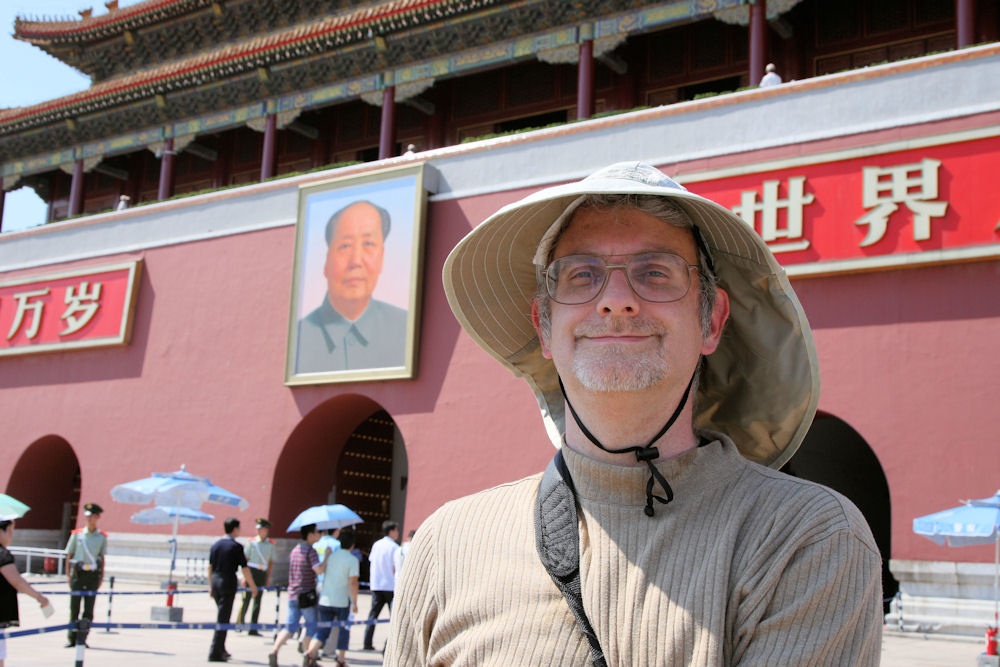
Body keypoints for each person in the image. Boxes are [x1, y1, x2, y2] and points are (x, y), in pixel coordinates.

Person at [387, 162, 883, 664]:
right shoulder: (448, 544)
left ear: (711, 321)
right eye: (582, 276)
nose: (616, 301)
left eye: (655, 273)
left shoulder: (803, 539)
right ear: (543, 326)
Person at [296, 200, 408, 373]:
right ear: (326, 261)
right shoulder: (299, 337)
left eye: (368, 244)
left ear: (382, 257)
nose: (356, 261)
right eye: (345, 246)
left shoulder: (404, 329)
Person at [268, 523, 325, 667]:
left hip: (293, 593)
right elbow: (318, 570)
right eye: (317, 532)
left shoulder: (295, 550)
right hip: (306, 595)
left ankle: (274, 650)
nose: (319, 535)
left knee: (290, 627)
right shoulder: (311, 551)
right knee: (311, 625)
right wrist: (327, 558)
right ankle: (308, 656)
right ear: (310, 535)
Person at [1, 519, 51, 667]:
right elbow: (17, 581)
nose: (11, 535)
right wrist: (39, 597)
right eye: (10, 530)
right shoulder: (2, 555)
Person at [207, 517, 258, 662]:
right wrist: (252, 586)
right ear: (235, 529)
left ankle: (221, 648)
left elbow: (210, 567)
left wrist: (210, 586)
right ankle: (215, 652)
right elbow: (245, 568)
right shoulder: (236, 547)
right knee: (223, 619)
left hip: (216, 582)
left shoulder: (216, 545)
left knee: (222, 616)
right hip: (227, 582)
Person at [64, 502, 106, 648]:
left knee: (88, 610)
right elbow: (69, 555)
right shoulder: (77, 535)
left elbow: (102, 559)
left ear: (97, 517)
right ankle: (71, 638)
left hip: (92, 576)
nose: (89, 519)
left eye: (92, 517)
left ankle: (83, 637)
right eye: (87, 517)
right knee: (74, 608)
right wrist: (68, 576)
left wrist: (101, 578)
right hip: (78, 574)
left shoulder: (101, 537)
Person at [317, 529, 360, 667]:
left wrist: (326, 556)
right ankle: (341, 659)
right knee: (343, 631)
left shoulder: (331, 556)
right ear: (352, 545)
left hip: (326, 598)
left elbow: (321, 570)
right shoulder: (352, 560)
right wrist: (354, 602)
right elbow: (353, 582)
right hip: (342, 601)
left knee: (323, 630)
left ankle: (311, 653)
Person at [363, 520, 398, 651]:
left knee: (373, 615)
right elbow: (395, 567)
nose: (397, 533)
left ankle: (367, 642)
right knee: (394, 617)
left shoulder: (376, 545)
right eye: (396, 530)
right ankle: (392, 645)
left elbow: (372, 561)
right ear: (391, 531)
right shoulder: (394, 547)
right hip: (390, 585)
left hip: (376, 584)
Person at [237, 517, 274, 637]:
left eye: (261, 529)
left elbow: (270, 563)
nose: (259, 531)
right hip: (251, 572)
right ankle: (240, 624)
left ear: (266, 530)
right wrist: (243, 577)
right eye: (258, 529)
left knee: (257, 601)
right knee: (245, 599)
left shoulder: (271, 544)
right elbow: (245, 561)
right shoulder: (251, 543)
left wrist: (268, 578)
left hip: (261, 573)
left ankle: (253, 627)